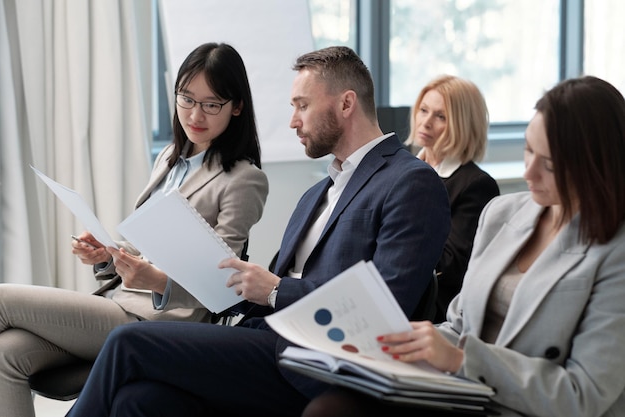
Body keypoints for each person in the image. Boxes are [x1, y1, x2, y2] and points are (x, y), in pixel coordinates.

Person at [63, 45, 451, 417]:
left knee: (128, 343)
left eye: (302, 105)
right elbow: (259, 292)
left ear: (346, 104)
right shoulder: (316, 194)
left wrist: (278, 290)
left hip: (316, 359)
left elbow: (388, 301)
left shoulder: (409, 181)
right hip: (263, 338)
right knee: (140, 400)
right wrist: (189, 280)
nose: (293, 120)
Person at [301, 75, 625, 417]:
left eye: (549, 165)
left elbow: (583, 394)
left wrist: (461, 358)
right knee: (330, 406)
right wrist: (399, 343)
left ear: (596, 166)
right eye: (528, 150)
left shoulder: (615, 250)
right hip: (459, 388)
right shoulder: (503, 214)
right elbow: (458, 324)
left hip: (520, 403)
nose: (528, 173)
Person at [0, 42, 268, 417]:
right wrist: (110, 254)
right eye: (187, 99)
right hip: (117, 304)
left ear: (236, 107)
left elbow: (221, 284)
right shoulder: (170, 158)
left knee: (1, 299)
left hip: (158, 324)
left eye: (212, 104)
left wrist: (156, 281)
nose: (195, 114)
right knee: (7, 352)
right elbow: (155, 246)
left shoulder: (243, 179)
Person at [405, 75, 499, 322]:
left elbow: (450, 267)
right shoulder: (400, 170)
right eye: (423, 110)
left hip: (433, 309)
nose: (425, 122)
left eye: (441, 117)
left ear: (462, 125)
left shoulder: (476, 185)